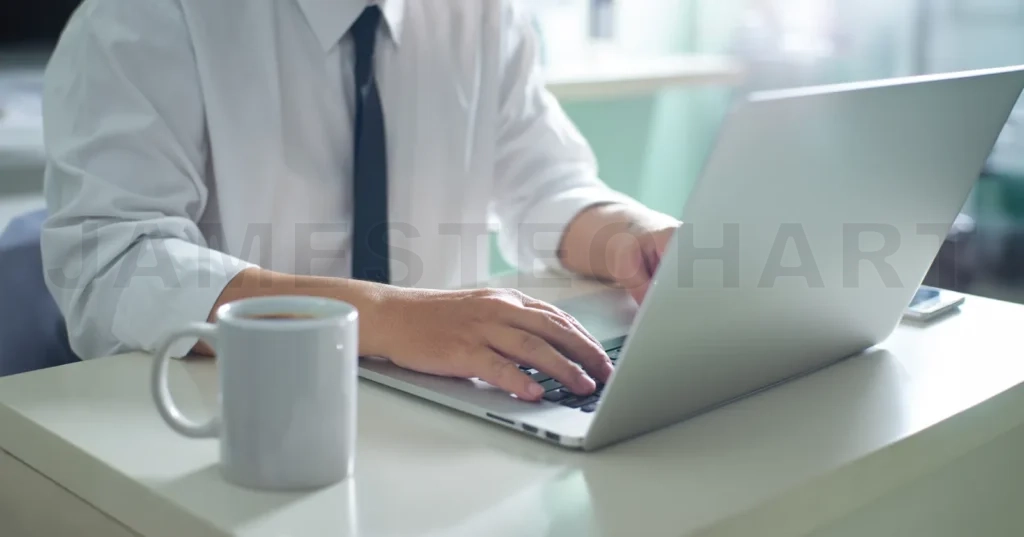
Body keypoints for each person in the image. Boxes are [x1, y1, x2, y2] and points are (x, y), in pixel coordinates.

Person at [41, 0, 681, 401]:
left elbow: (546, 186)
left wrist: (632, 234)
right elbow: (112, 265)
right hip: (235, 420)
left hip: (450, 413)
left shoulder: (485, 14)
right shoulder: (148, 17)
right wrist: (387, 318)